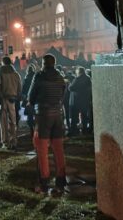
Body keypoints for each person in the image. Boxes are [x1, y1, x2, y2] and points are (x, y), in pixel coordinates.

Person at [28, 54, 67, 194]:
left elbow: (31, 97)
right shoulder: (60, 77)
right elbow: (63, 94)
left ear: (43, 63)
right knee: (58, 149)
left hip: (43, 115)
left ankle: (43, 182)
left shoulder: (39, 76)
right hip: (57, 115)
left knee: (42, 150)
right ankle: (61, 179)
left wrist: (33, 103)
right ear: (54, 63)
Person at [0, 56, 22, 150]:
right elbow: (19, 88)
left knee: (3, 122)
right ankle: (13, 141)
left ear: (3, 63)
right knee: (13, 121)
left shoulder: (0, 73)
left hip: (3, 99)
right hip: (13, 99)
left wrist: (0, 96)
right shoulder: (16, 74)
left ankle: (5, 141)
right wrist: (17, 97)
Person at [68, 67, 93, 135]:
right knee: (84, 116)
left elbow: (71, 88)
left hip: (76, 101)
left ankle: (74, 131)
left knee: (75, 117)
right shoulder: (88, 79)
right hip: (85, 100)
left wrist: (70, 83)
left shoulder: (77, 79)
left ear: (79, 72)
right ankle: (85, 130)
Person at [22, 64, 36, 138]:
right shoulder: (36, 77)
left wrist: (23, 96)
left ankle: (31, 129)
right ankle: (35, 128)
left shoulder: (27, 78)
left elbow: (24, 88)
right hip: (36, 98)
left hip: (28, 98)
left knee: (30, 115)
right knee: (35, 113)